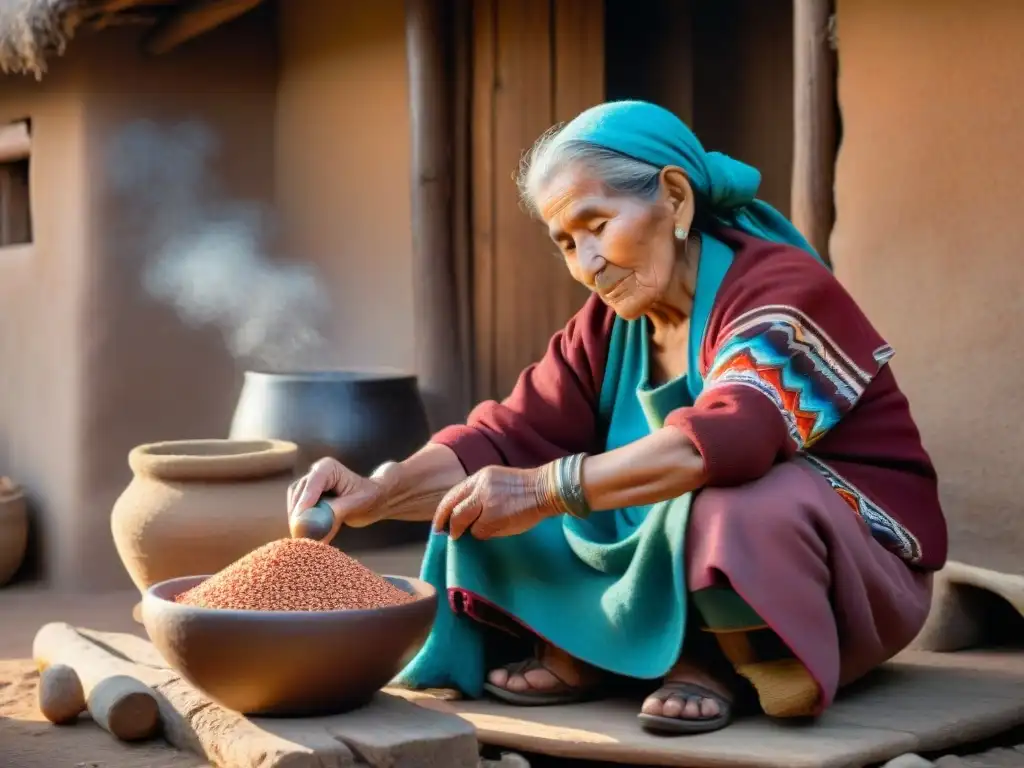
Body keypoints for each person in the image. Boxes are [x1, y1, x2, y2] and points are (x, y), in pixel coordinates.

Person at [287, 100, 946, 735]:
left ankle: (718, 659)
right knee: (481, 499)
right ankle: (599, 652)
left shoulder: (780, 291)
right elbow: (504, 434)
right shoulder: (604, 327)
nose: (588, 264)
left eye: (597, 226)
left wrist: (545, 490)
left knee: (729, 503)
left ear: (676, 198)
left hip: (849, 568)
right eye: (567, 243)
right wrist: (377, 493)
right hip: (677, 525)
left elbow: (724, 443)